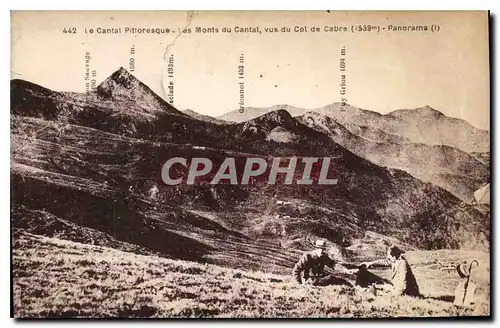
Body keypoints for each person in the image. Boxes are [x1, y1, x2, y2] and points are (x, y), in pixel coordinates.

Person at [292, 239, 359, 287]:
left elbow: (333, 264)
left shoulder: (323, 257)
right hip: (310, 281)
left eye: (324, 249)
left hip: (320, 280)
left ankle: (353, 289)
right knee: (332, 279)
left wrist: (345, 270)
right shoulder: (307, 256)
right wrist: (300, 284)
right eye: (322, 249)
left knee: (340, 280)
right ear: (316, 248)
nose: (323, 251)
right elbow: (296, 270)